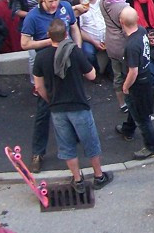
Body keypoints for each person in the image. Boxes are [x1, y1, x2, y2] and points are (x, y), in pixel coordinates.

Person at [32, 19, 114, 191]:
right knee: (90, 142)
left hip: (57, 108)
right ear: (66, 34)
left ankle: (77, 180)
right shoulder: (74, 52)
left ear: (49, 36)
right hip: (78, 104)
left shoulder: (41, 57)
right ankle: (98, 176)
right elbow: (91, 75)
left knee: (67, 146)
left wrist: (50, 100)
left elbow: (39, 87)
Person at [20, 0, 81, 172]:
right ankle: (37, 153)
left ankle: (77, 139)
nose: (54, 4)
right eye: (50, 1)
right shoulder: (32, 17)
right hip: (46, 66)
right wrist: (52, 41)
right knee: (43, 112)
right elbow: (24, 44)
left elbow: (74, 28)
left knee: (76, 103)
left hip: (67, 63)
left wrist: (77, 50)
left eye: (56, 0)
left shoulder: (65, 7)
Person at [115, 7, 154, 159]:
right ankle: (128, 129)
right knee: (135, 110)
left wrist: (125, 86)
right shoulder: (141, 31)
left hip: (137, 84)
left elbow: (133, 71)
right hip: (145, 78)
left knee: (142, 117)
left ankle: (151, 146)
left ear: (121, 22)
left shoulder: (131, 46)